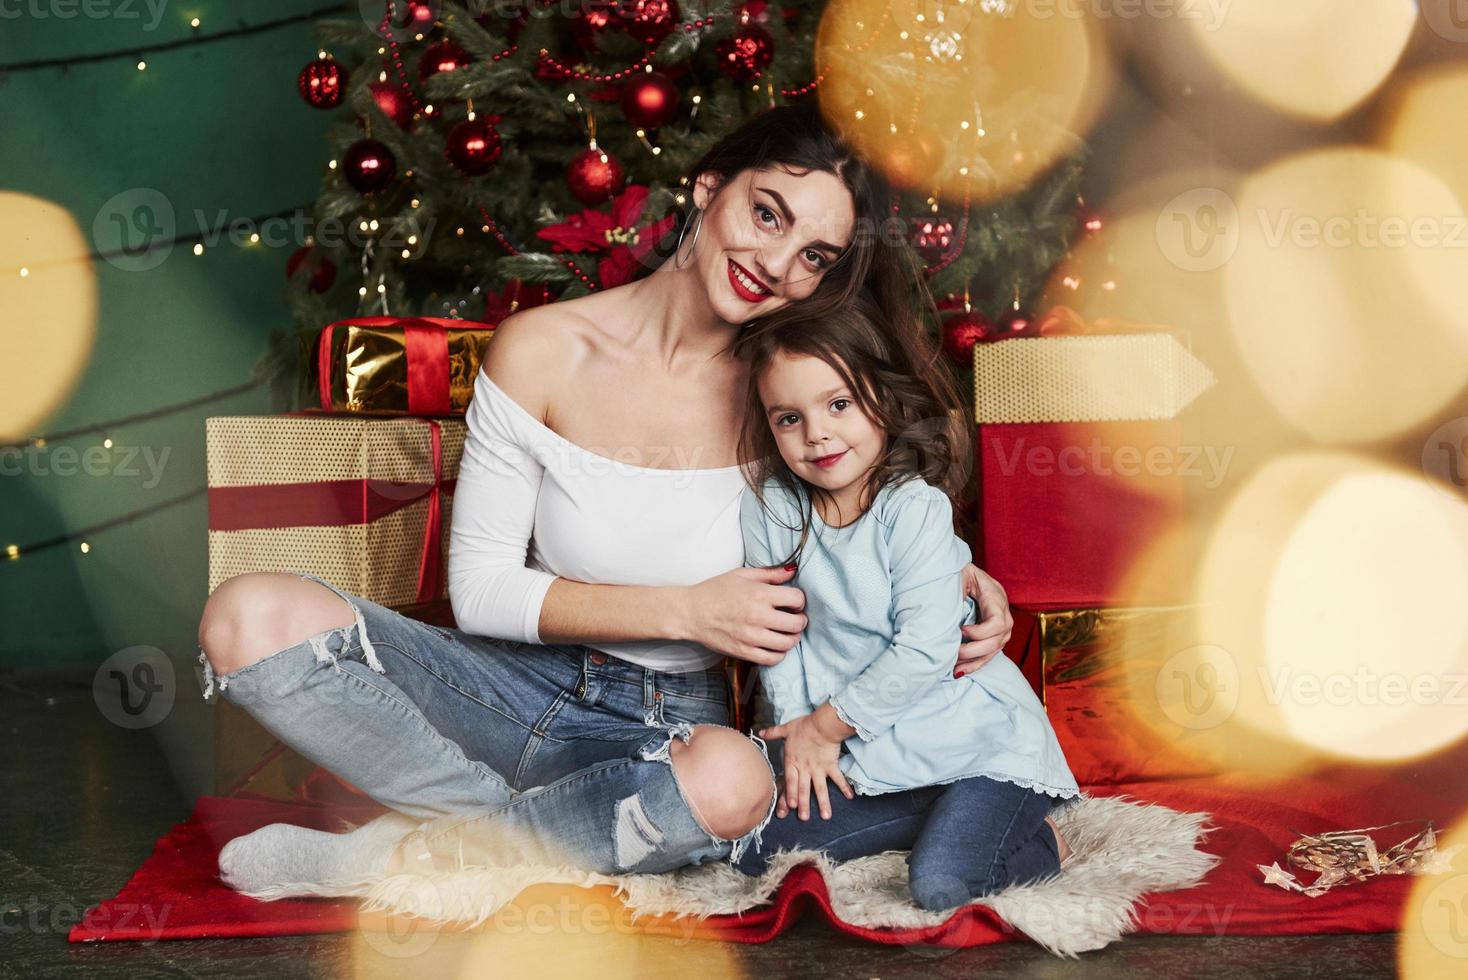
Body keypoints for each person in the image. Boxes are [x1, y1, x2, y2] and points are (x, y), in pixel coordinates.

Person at [195, 102, 1017, 897]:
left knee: (733, 784)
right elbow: (479, 592)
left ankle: (413, 855)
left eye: (815, 257)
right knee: (249, 617)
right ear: (708, 188)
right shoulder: (546, 349)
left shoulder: (787, 392)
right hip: (504, 692)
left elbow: (872, 506)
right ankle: (510, 841)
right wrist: (685, 610)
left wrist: (961, 574)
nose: (777, 263)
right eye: (769, 215)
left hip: (663, 732)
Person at [731, 295, 1080, 912]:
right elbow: (777, 631)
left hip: (979, 746)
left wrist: (825, 726)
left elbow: (923, 650)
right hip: (875, 743)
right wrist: (795, 740)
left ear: (881, 402)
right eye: (789, 418)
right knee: (753, 848)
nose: (817, 434)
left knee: (943, 883)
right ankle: (925, 807)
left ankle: (1032, 836)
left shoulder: (913, 507)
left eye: (838, 405)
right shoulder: (772, 506)